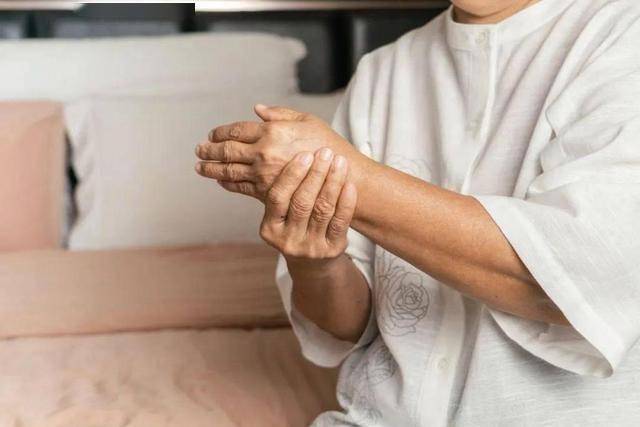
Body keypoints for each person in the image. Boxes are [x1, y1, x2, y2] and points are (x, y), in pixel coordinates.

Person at [195, 0, 640, 424]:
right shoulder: (382, 70)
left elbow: (571, 280)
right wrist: (316, 261)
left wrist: (354, 178)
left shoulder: (621, 33)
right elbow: (346, 326)